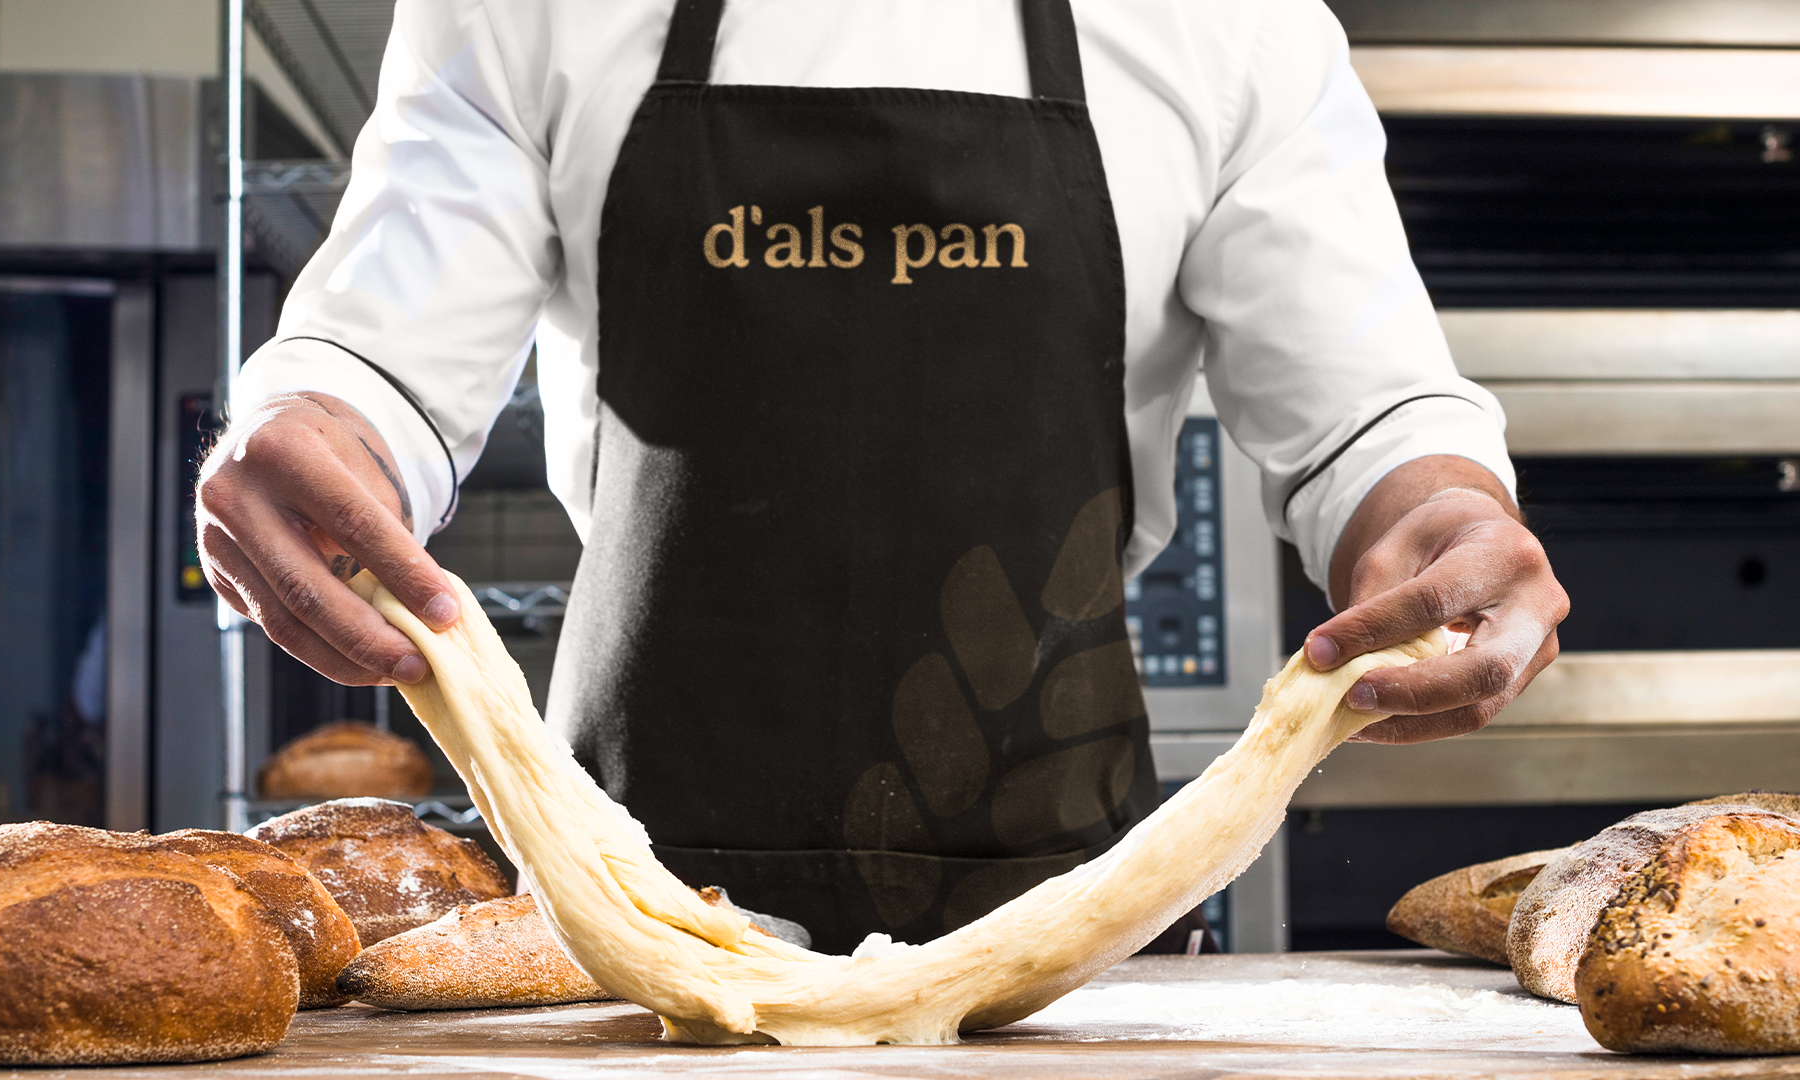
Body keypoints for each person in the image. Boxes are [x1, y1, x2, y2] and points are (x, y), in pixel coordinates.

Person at [198, 0, 1568, 952]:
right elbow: (382, 360)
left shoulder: (1228, 23)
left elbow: (1368, 419)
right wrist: (315, 431)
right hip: (624, 922)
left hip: (1071, 937)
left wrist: (1443, 513)